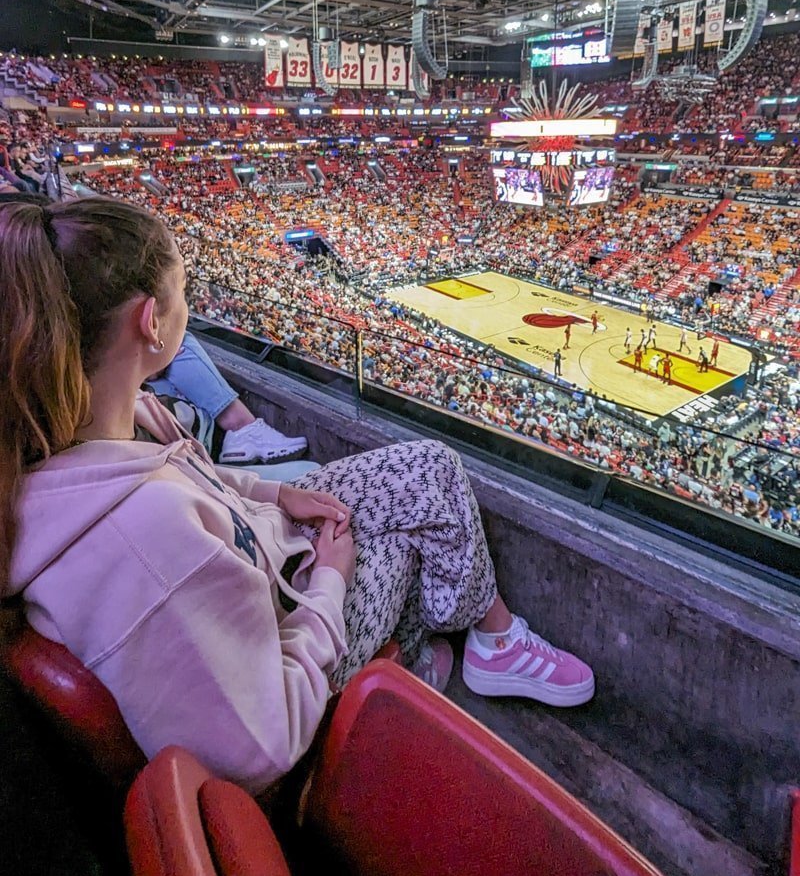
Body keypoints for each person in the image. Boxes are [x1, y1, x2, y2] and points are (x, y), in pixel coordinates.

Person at [0, 198, 595, 796]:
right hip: (288, 640)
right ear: (151, 321)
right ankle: (412, 668)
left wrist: (276, 490)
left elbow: (185, 480)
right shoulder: (148, 541)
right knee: (414, 540)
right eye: (184, 288)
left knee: (431, 469)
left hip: (262, 550)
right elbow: (266, 743)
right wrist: (330, 583)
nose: (191, 302)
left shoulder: (99, 424)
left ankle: (488, 640)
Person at [151, 333, 308, 463]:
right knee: (179, 342)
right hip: (168, 437)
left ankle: (241, 430)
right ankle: (241, 427)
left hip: (159, 423)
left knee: (169, 344)